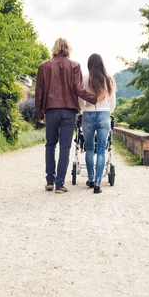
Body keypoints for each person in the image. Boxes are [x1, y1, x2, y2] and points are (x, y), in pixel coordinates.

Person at [35, 38, 104, 194]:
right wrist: (94, 98)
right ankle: (60, 185)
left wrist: (39, 113)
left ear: (54, 48)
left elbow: (39, 92)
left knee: (50, 145)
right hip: (68, 111)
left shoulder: (44, 66)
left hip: (51, 109)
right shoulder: (74, 66)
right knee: (65, 147)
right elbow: (79, 90)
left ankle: (49, 181)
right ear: (68, 49)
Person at [78, 53, 116, 194]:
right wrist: (107, 111)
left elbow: (80, 99)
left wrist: (83, 109)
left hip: (88, 114)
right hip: (104, 114)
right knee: (101, 150)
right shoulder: (108, 79)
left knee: (88, 148)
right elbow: (113, 103)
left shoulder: (84, 78)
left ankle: (91, 179)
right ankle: (98, 183)